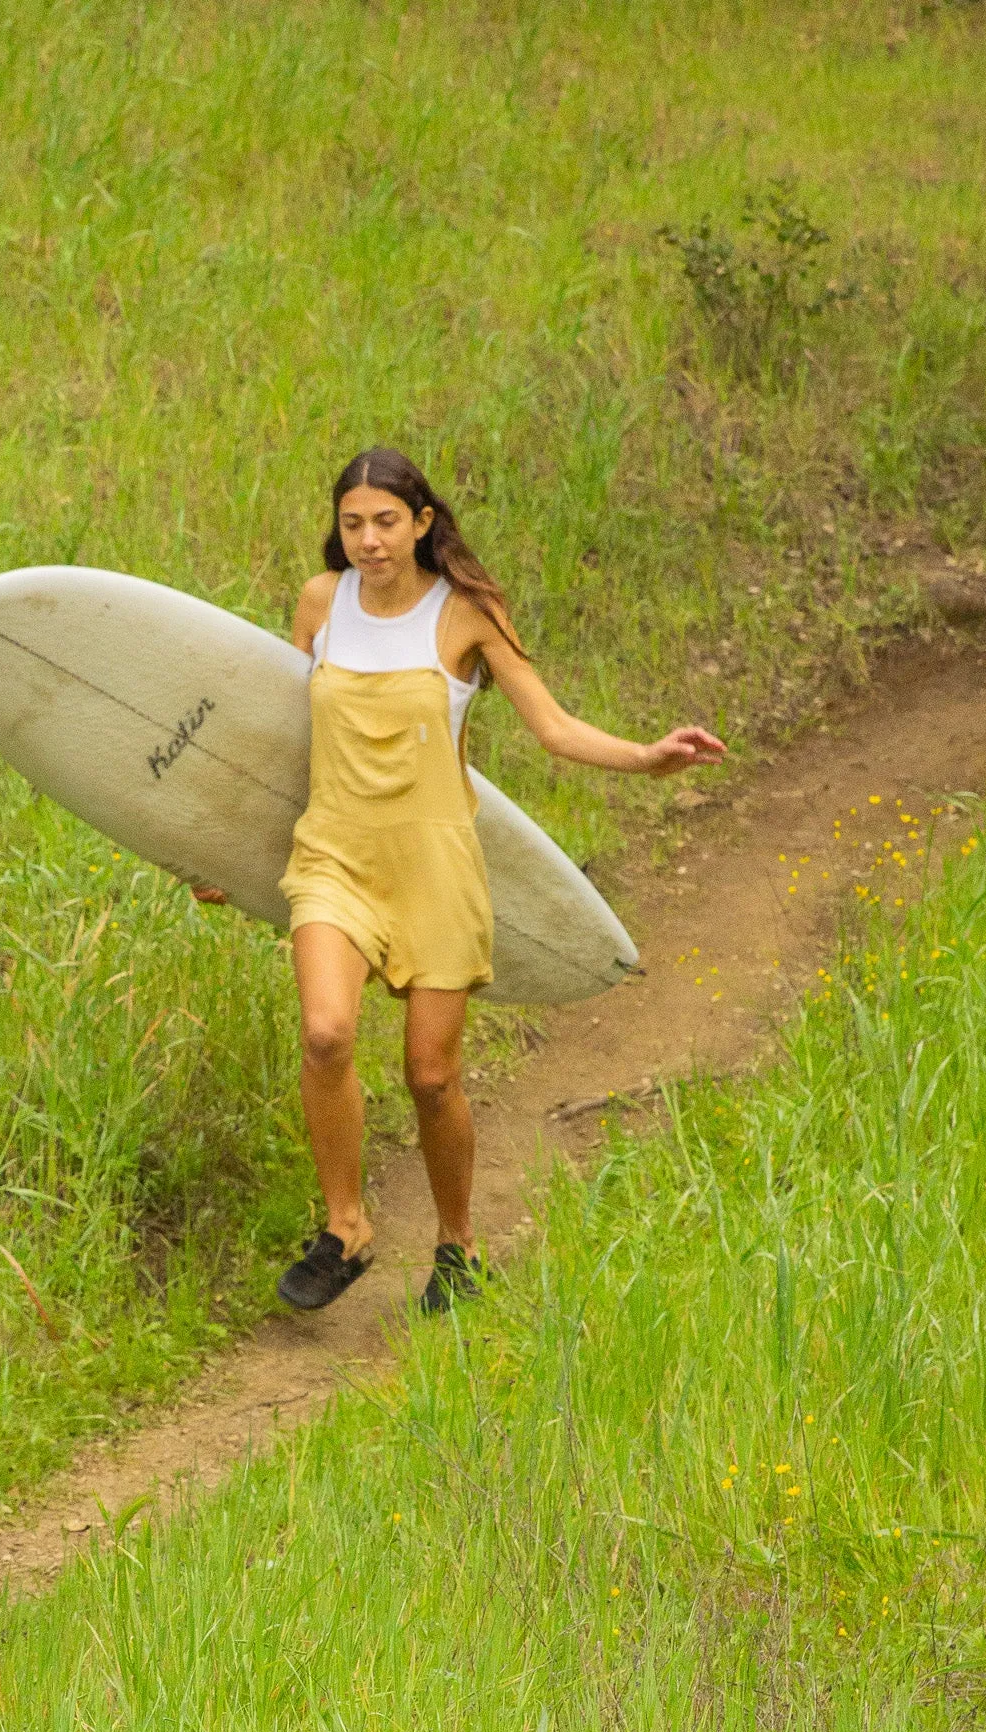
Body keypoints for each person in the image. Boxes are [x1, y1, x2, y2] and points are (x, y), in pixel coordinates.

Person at [202, 448, 723, 1317]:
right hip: (332, 852)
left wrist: (647, 757)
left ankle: (459, 1248)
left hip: (434, 867)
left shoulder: (467, 615)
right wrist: (222, 848)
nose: (368, 541)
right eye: (352, 524)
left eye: (385, 522)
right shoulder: (320, 603)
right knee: (327, 1034)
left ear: (422, 522)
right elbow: (281, 738)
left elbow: (552, 729)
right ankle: (346, 1230)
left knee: (431, 1077)